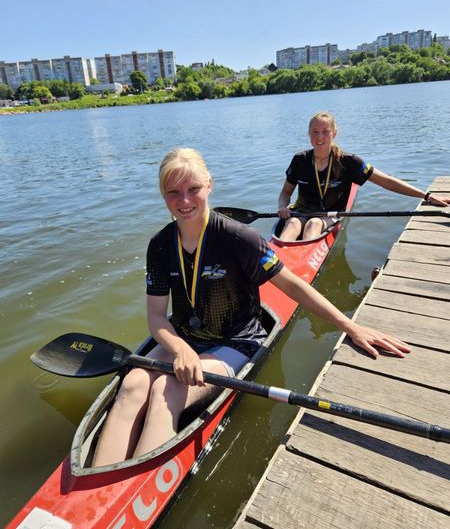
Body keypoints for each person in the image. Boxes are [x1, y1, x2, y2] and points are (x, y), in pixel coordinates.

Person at [93, 147, 410, 467]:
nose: (184, 201)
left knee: (168, 388)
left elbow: (293, 286)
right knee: (133, 381)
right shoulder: (159, 245)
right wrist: (180, 350)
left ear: (209, 186)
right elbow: (157, 317)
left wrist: (351, 327)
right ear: (163, 195)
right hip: (187, 337)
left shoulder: (238, 237)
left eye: (193, 189)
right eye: (173, 192)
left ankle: (135, 485)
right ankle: (96, 490)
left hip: (236, 341)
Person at [277, 111, 450, 241]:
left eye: (325, 131)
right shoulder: (299, 160)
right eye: (315, 131)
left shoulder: (349, 162)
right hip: (301, 211)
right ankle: (276, 269)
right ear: (308, 133)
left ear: (334, 133)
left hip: (330, 215)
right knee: (292, 223)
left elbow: (386, 181)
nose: (319, 137)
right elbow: (285, 193)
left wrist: (426, 196)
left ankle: (299, 273)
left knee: (313, 224)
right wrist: (283, 206)